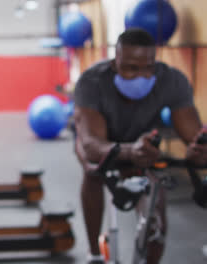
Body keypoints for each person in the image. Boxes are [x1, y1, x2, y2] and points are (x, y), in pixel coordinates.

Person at [73, 28, 207, 264]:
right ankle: (94, 252)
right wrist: (127, 151)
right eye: (132, 68)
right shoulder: (92, 82)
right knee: (93, 170)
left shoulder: (171, 80)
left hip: (144, 145)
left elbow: (193, 134)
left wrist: (198, 151)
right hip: (100, 143)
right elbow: (93, 144)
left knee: (156, 220)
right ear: (115, 63)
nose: (142, 76)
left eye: (148, 67)